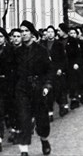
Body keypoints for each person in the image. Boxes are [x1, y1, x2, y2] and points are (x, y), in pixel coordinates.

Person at [13, 20, 52, 156]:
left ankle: (44, 140)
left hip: (38, 88)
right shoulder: (17, 52)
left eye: (26, 31)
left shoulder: (41, 50)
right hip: (22, 89)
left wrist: (47, 85)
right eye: (21, 31)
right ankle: (24, 150)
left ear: (32, 33)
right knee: (23, 119)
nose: (23, 34)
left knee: (42, 120)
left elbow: (48, 70)